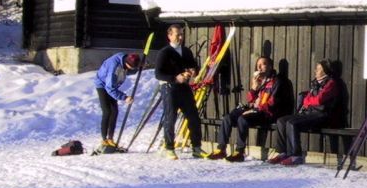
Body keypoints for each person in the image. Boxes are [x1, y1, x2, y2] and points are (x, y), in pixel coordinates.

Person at [208, 56, 288, 162]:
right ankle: (221, 149)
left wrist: (255, 109)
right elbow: (250, 100)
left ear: (270, 66)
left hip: (267, 113)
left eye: (263, 64)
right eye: (258, 65)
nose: (259, 67)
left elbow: (272, 103)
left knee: (243, 119)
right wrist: (254, 88)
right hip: (255, 109)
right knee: (228, 117)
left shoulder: (277, 81)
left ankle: (239, 152)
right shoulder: (260, 79)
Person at [269, 59, 340, 166]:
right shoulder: (315, 83)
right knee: (281, 121)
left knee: (292, 123)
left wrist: (308, 101)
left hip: (322, 115)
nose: (315, 71)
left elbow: (319, 100)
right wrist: (308, 101)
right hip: (310, 113)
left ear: (325, 70)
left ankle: (296, 155)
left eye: (318, 69)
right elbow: (308, 98)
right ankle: (283, 152)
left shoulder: (331, 83)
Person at [152, 23, 206, 159]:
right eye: (178, 35)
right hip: (169, 87)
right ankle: (169, 147)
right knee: (170, 118)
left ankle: (196, 147)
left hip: (184, 87)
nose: (181, 37)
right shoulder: (164, 52)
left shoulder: (186, 51)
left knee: (193, 116)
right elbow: (158, 74)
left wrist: (193, 70)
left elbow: (192, 65)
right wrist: (175, 78)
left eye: (182, 34)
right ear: (169, 36)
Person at [93, 51, 141, 148]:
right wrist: (124, 97)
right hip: (102, 85)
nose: (130, 70)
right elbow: (109, 88)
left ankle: (110, 138)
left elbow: (130, 69)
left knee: (115, 111)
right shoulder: (114, 68)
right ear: (126, 64)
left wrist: (140, 66)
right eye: (130, 68)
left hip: (112, 85)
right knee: (107, 111)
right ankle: (104, 140)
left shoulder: (126, 58)